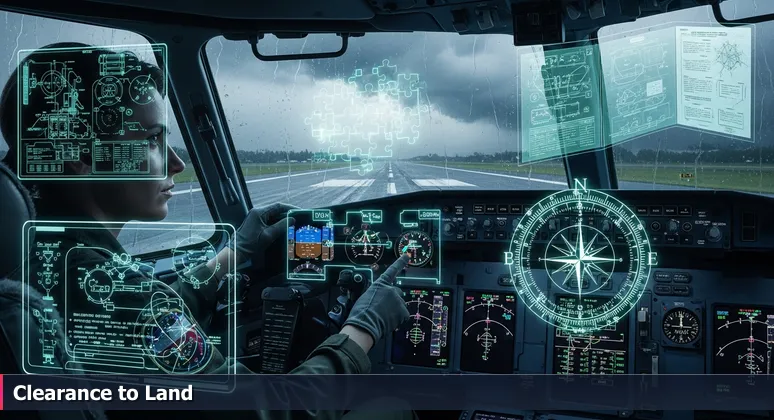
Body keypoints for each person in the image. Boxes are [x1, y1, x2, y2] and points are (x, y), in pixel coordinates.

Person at [0, 43, 414, 420]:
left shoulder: (38, 261)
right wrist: (361, 330)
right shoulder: (103, 288)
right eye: (152, 140)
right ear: (79, 156)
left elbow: (149, 327)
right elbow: (266, 411)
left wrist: (231, 255)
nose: (177, 164)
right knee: (392, 409)